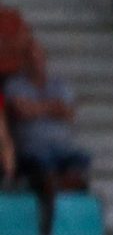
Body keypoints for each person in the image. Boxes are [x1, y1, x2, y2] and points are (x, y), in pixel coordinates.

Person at [4, 43, 91, 190]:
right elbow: (22, 111)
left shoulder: (60, 85)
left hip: (62, 148)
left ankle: (66, 197)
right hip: (32, 150)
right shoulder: (15, 85)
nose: (37, 63)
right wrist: (54, 108)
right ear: (25, 62)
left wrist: (35, 107)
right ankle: (51, 201)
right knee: (43, 164)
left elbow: (69, 113)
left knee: (80, 161)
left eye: (39, 58)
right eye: (32, 59)